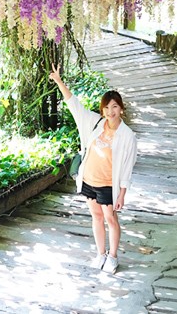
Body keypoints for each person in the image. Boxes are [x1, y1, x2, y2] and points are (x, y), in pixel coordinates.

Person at [50, 65, 138, 274]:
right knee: (96, 217)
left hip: (109, 184)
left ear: (121, 109)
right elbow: (74, 105)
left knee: (110, 218)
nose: (110, 111)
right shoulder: (95, 122)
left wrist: (122, 194)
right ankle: (100, 253)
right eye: (107, 108)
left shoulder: (128, 136)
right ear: (103, 110)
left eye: (114, 107)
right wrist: (59, 82)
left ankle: (113, 256)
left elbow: (127, 167)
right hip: (89, 180)